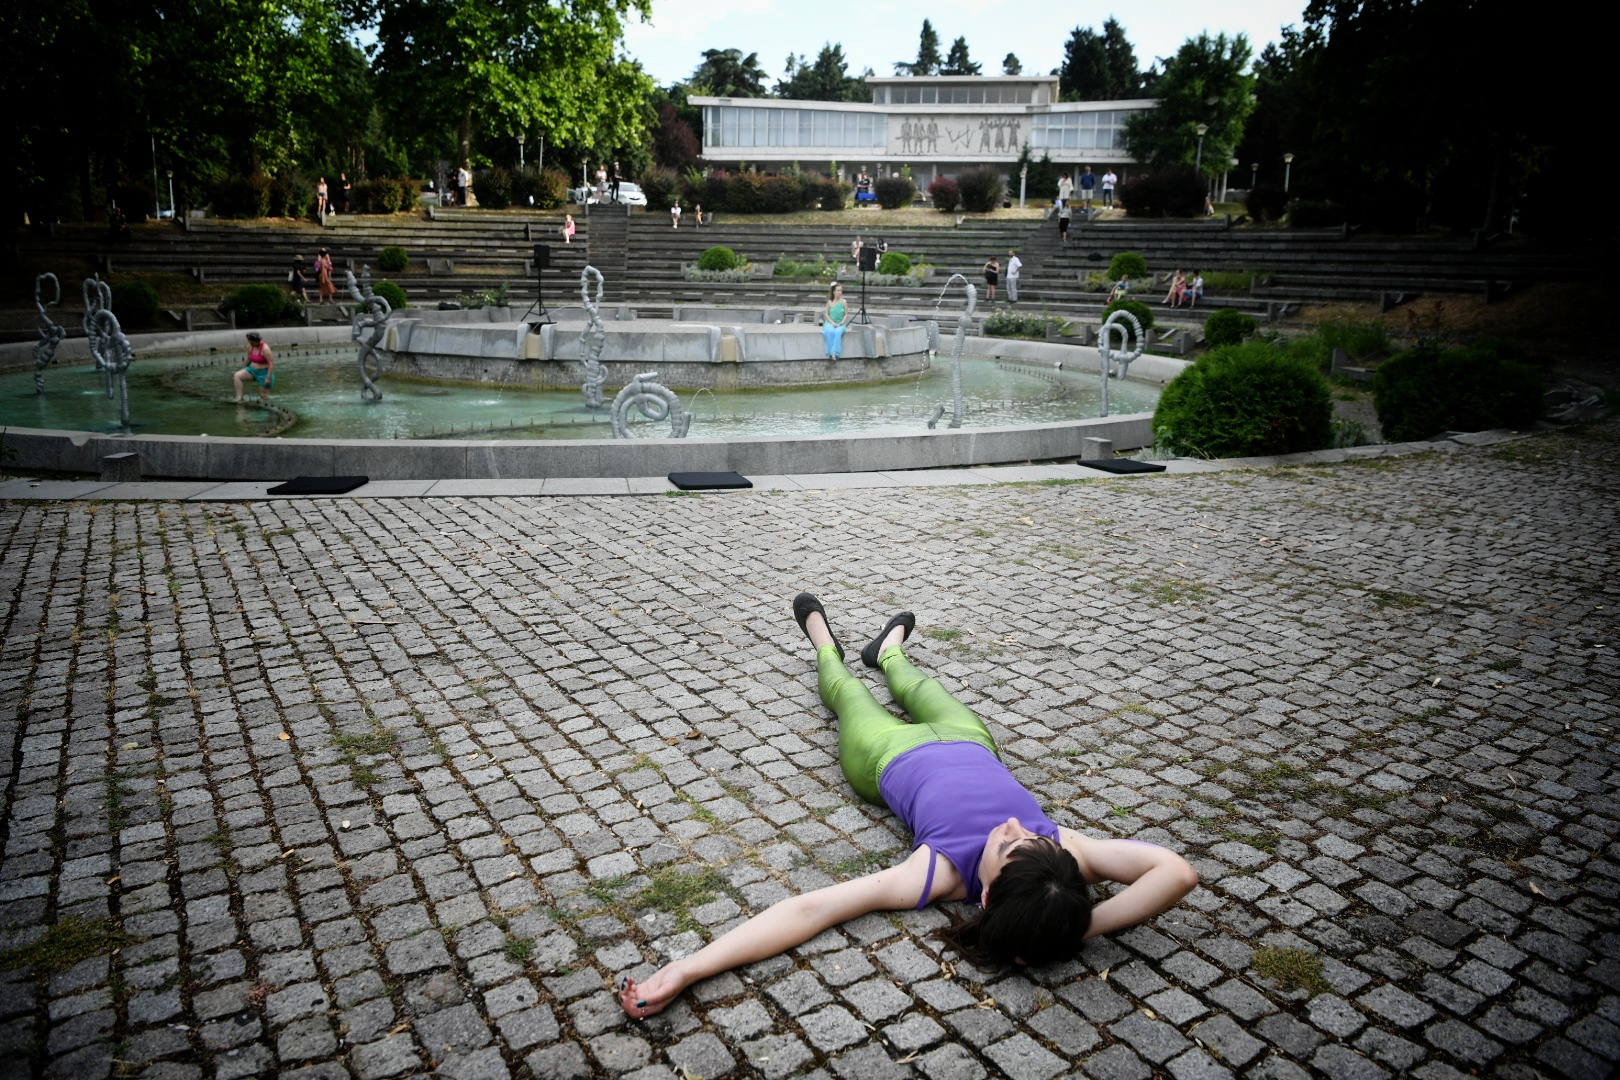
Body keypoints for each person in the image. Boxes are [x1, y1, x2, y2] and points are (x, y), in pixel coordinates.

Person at [616, 595, 1199, 1021]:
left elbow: (811, 909)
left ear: (988, 893)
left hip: (886, 758)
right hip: (970, 741)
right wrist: (1078, 926)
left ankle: (825, 644)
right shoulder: (1064, 861)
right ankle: (890, 652)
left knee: (848, 694)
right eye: (1033, 836)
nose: (1016, 825)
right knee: (923, 688)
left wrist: (689, 968)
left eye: (1008, 843)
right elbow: (1179, 871)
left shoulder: (940, 873)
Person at [233, 331, 275, 405]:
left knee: (263, 397)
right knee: (237, 375)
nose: (251, 344)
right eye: (250, 342)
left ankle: (267, 411)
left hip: (264, 373)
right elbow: (249, 358)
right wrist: (243, 368)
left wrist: (268, 378)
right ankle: (239, 398)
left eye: (252, 343)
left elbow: (271, 364)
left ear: (257, 341)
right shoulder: (250, 346)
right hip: (252, 370)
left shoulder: (265, 349)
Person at [821, 284, 851, 359]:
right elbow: (826, 314)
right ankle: (831, 353)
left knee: (838, 332)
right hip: (830, 323)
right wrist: (832, 323)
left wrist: (842, 322)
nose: (840, 292)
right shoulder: (829, 302)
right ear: (834, 292)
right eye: (838, 290)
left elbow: (846, 314)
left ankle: (835, 353)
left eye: (841, 290)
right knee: (830, 331)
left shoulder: (844, 302)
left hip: (841, 323)